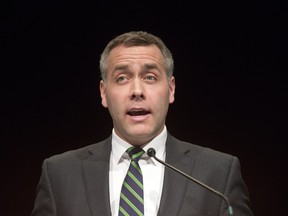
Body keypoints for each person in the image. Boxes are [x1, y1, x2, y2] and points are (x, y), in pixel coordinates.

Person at [31, 31, 254, 216]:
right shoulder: (59, 174)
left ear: (171, 89)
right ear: (104, 93)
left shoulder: (218, 174)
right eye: (122, 78)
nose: (137, 91)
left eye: (150, 77)